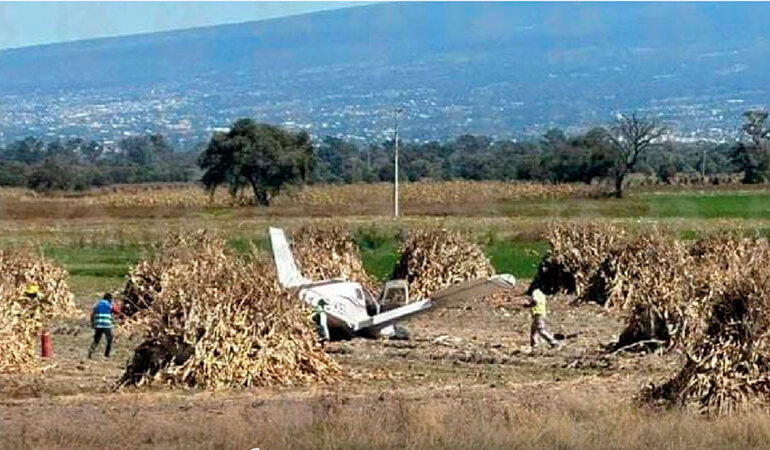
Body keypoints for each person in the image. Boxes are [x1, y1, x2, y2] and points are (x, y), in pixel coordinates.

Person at [88, 293, 114, 358]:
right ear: (109, 299)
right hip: (106, 325)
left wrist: (92, 323)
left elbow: (92, 314)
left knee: (96, 340)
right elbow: (116, 311)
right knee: (109, 339)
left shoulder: (97, 305)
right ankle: (107, 354)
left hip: (98, 325)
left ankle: (91, 351)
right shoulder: (109, 305)